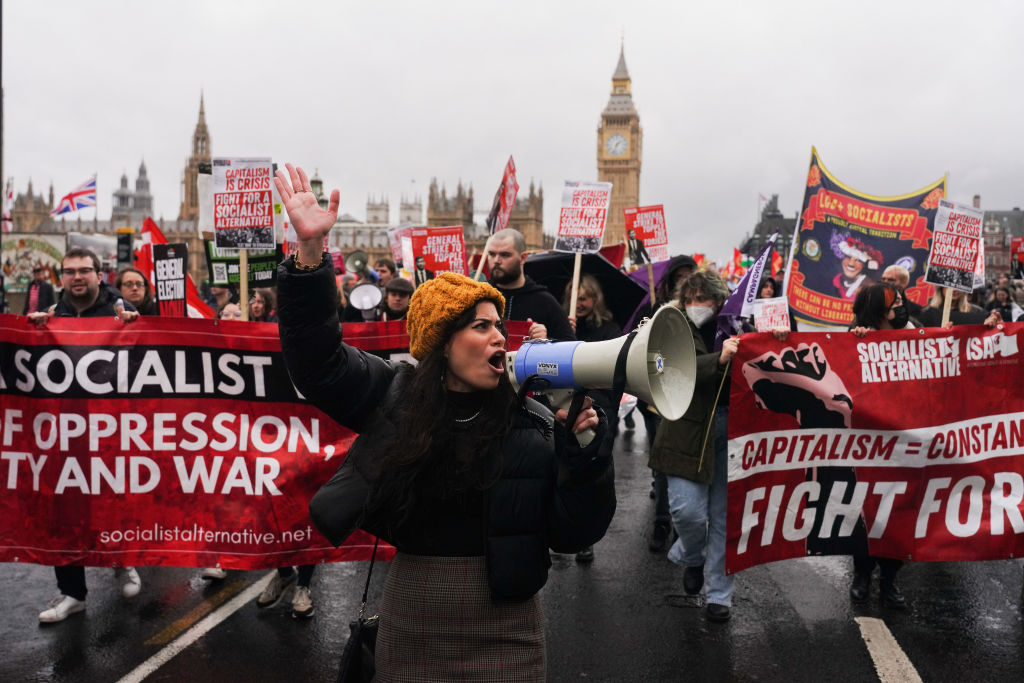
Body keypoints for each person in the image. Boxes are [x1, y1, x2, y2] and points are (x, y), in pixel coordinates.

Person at [274, 163, 615, 679]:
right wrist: (310, 255)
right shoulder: (395, 395)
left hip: (511, 629)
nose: (501, 336)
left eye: (500, 325)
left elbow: (575, 532)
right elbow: (317, 363)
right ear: (442, 341)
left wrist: (584, 456)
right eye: (481, 326)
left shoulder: (534, 420)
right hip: (416, 621)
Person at [28, 248, 142, 623]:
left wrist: (137, 327)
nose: (77, 277)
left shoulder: (118, 311)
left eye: (84, 271)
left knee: (115, 499)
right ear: (61, 277)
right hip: (67, 431)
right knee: (65, 509)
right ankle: (72, 592)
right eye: (69, 271)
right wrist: (32, 332)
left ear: (99, 274)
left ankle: (123, 560)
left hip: (112, 429)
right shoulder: (54, 316)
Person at [650, 268, 739, 622]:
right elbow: (665, 367)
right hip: (684, 429)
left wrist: (773, 336)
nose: (695, 305)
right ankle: (692, 557)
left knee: (722, 518)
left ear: (719, 300)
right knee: (688, 513)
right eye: (689, 299)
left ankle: (720, 595)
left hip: (732, 430)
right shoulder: (670, 324)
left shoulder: (738, 326)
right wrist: (716, 360)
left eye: (702, 299)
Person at [633, 254, 698, 552]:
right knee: (662, 463)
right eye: (679, 275)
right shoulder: (655, 309)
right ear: (671, 279)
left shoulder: (698, 310)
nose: (684, 280)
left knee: (679, 463)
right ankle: (662, 522)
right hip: (655, 396)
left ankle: (679, 522)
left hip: (687, 395)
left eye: (690, 275)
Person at [563, 274, 622, 563]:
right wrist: (565, 333)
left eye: (585, 297)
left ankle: (586, 535)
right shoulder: (563, 325)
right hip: (565, 407)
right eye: (576, 298)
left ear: (595, 299)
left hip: (600, 410)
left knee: (592, 472)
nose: (581, 303)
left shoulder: (609, 329)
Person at [486, 227, 576, 341]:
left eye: (505, 255)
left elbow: (570, 347)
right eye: (492, 254)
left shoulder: (545, 302)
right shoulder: (480, 296)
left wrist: (546, 340)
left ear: (523, 258)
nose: (496, 260)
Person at [918, 286, 993, 327]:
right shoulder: (928, 312)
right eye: (949, 286)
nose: (953, 290)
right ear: (941, 289)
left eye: (958, 286)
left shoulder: (976, 312)